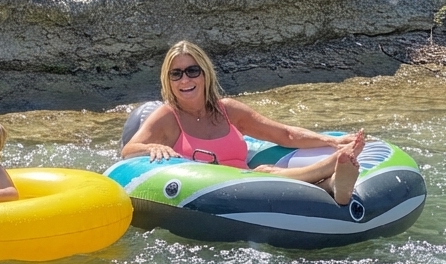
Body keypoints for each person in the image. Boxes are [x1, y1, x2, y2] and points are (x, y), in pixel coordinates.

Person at [121, 40, 366, 205]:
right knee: (264, 173)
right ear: (169, 80)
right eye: (176, 74)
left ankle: (333, 184)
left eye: (192, 71)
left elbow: (285, 135)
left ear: (205, 73)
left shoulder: (228, 110)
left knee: (265, 171)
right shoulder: (167, 116)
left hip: (251, 186)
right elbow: (128, 151)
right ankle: (327, 172)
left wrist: (331, 140)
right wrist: (150, 147)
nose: (185, 79)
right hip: (209, 193)